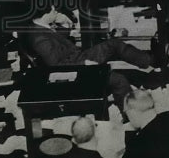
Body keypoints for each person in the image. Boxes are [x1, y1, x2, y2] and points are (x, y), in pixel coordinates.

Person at [25, 14, 153, 105]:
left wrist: (65, 24)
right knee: (119, 80)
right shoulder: (39, 39)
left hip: (77, 58)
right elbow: (57, 67)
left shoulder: (40, 26)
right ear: (46, 13)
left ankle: (148, 62)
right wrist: (84, 64)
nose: (56, 12)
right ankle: (129, 115)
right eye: (54, 11)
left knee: (114, 43)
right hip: (75, 70)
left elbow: (58, 43)